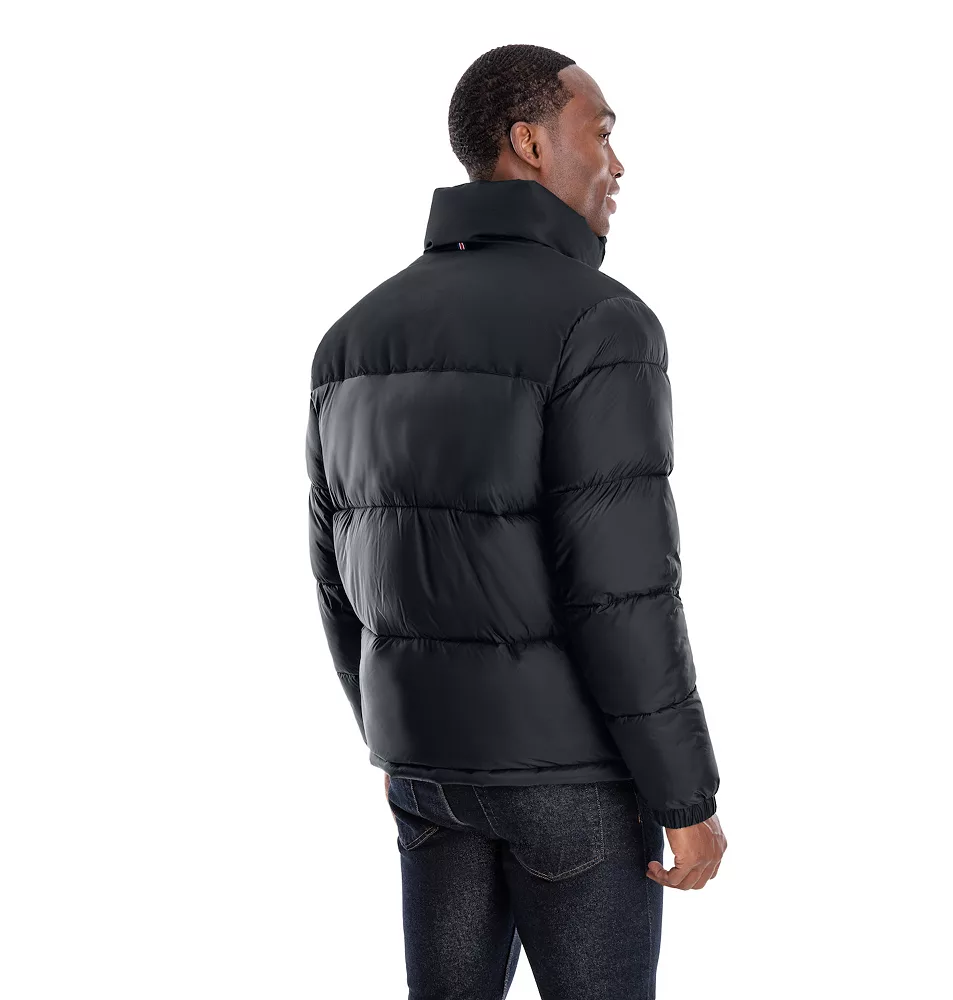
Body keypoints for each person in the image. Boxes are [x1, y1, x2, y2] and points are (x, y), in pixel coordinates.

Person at [306, 43, 726, 999]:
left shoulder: (353, 337)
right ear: (530, 143)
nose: (618, 164)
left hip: (429, 775)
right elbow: (622, 590)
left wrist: (391, 735)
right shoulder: (602, 324)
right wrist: (685, 796)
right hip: (571, 782)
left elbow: (335, 571)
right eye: (602, 134)